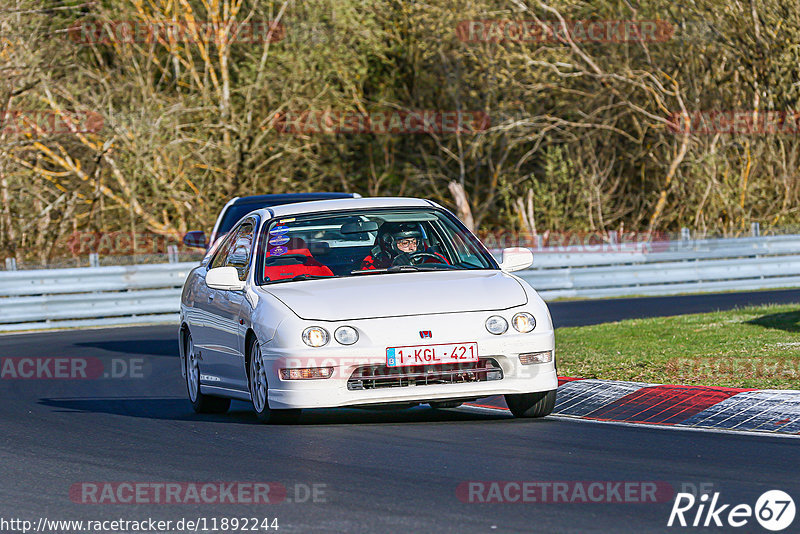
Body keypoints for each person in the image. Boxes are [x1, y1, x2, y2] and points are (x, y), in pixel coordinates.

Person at [360, 222, 447, 270]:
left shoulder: (432, 258)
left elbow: (448, 270)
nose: (412, 247)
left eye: (414, 242)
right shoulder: (373, 263)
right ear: (389, 245)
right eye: (405, 243)